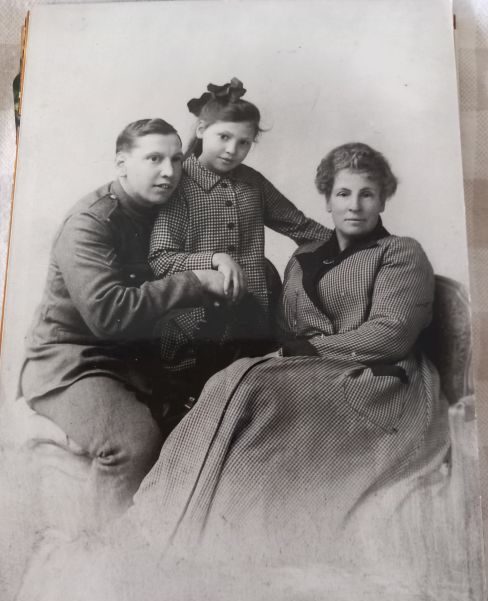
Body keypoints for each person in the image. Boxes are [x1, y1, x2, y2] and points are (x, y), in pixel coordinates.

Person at [132, 142, 450, 561]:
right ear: (327, 198)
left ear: (383, 199)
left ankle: (221, 542)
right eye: (343, 194)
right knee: (234, 379)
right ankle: (165, 523)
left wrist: (309, 349)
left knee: (260, 388)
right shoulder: (304, 256)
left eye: (367, 194)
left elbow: (390, 335)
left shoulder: (400, 253)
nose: (354, 206)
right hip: (310, 371)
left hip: (381, 380)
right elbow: (284, 327)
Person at [19, 118, 228, 525]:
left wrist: (217, 259)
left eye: (176, 160)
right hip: (68, 361)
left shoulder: (165, 213)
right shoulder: (90, 223)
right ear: (121, 164)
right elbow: (109, 317)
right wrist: (195, 280)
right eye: (153, 158)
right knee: (131, 442)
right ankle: (100, 557)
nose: (169, 172)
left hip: (134, 360)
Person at [148, 78, 329, 403]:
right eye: (224, 137)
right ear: (202, 129)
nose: (233, 150)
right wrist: (213, 258)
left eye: (244, 143)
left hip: (254, 324)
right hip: (194, 331)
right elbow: (161, 258)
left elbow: (300, 227)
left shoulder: (252, 183)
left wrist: (357, 245)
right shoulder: (181, 185)